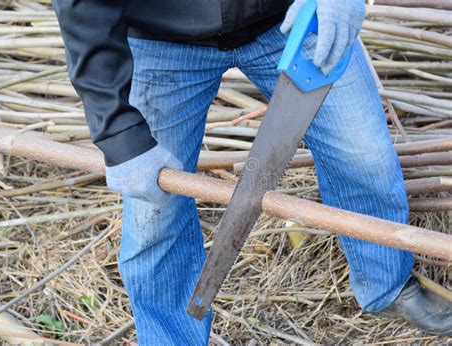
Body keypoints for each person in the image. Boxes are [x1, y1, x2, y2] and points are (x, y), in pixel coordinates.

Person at [52, 0, 452, 343]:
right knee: (153, 217)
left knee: (365, 156)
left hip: (291, 17)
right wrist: (120, 133)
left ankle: (385, 285)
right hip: (160, 37)